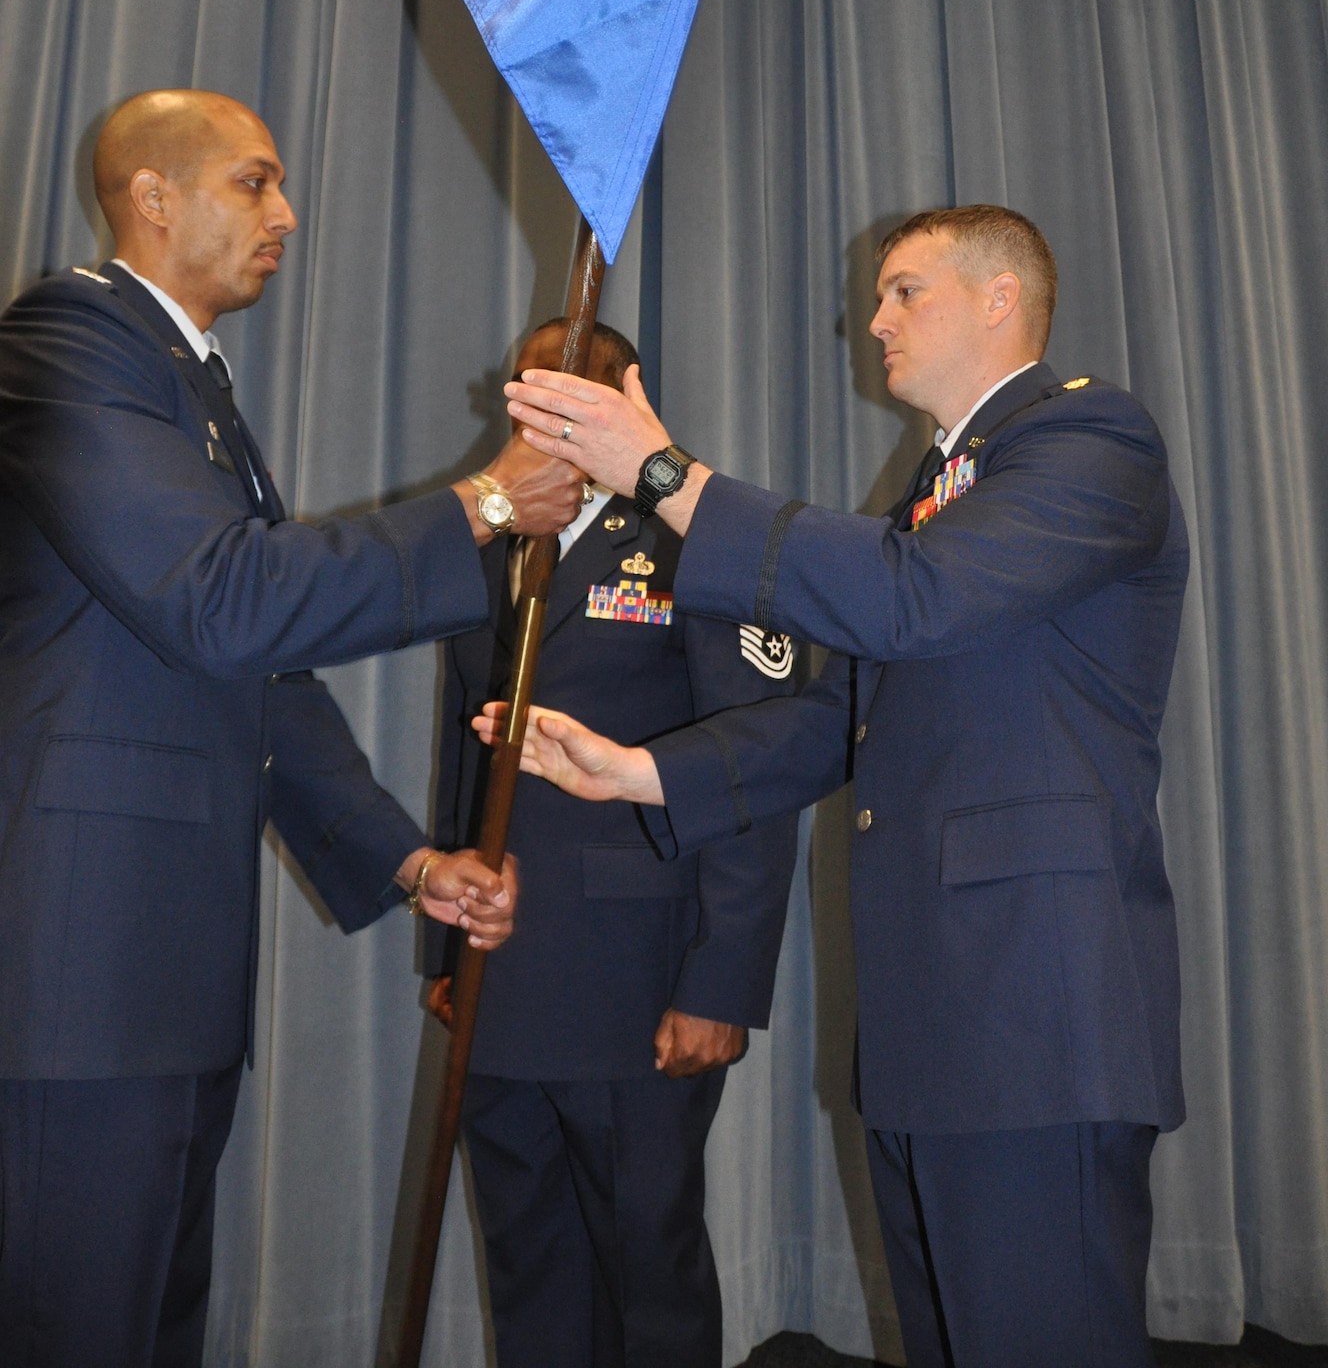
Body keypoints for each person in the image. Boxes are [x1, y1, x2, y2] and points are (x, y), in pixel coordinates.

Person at [487, 204, 1190, 1368]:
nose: (871, 318)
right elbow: (835, 713)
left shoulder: (1092, 441)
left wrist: (661, 475)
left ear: (999, 299)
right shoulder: (934, 487)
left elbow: (910, 597)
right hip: (936, 1025)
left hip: (1035, 1013)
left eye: (904, 289)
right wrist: (642, 771)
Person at [0, 89, 582, 1368]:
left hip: (161, 977)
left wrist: (410, 860)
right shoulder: (67, 339)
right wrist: (483, 500)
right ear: (152, 196)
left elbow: (261, 678)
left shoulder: (185, 386)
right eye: (254, 183)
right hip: (75, 975)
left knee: (149, 1327)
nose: (288, 214)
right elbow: (221, 603)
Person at [426, 314, 798, 1368]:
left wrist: (721, 981)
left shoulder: (700, 542)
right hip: (498, 975)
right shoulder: (482, 536)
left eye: (571, 384)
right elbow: (464, 759)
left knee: (649, 1279)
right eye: (526, 386)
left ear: (625, 395)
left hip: (634, 982)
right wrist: (446, 949)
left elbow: (754, 772)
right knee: (527, 1267)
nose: (543, 406)